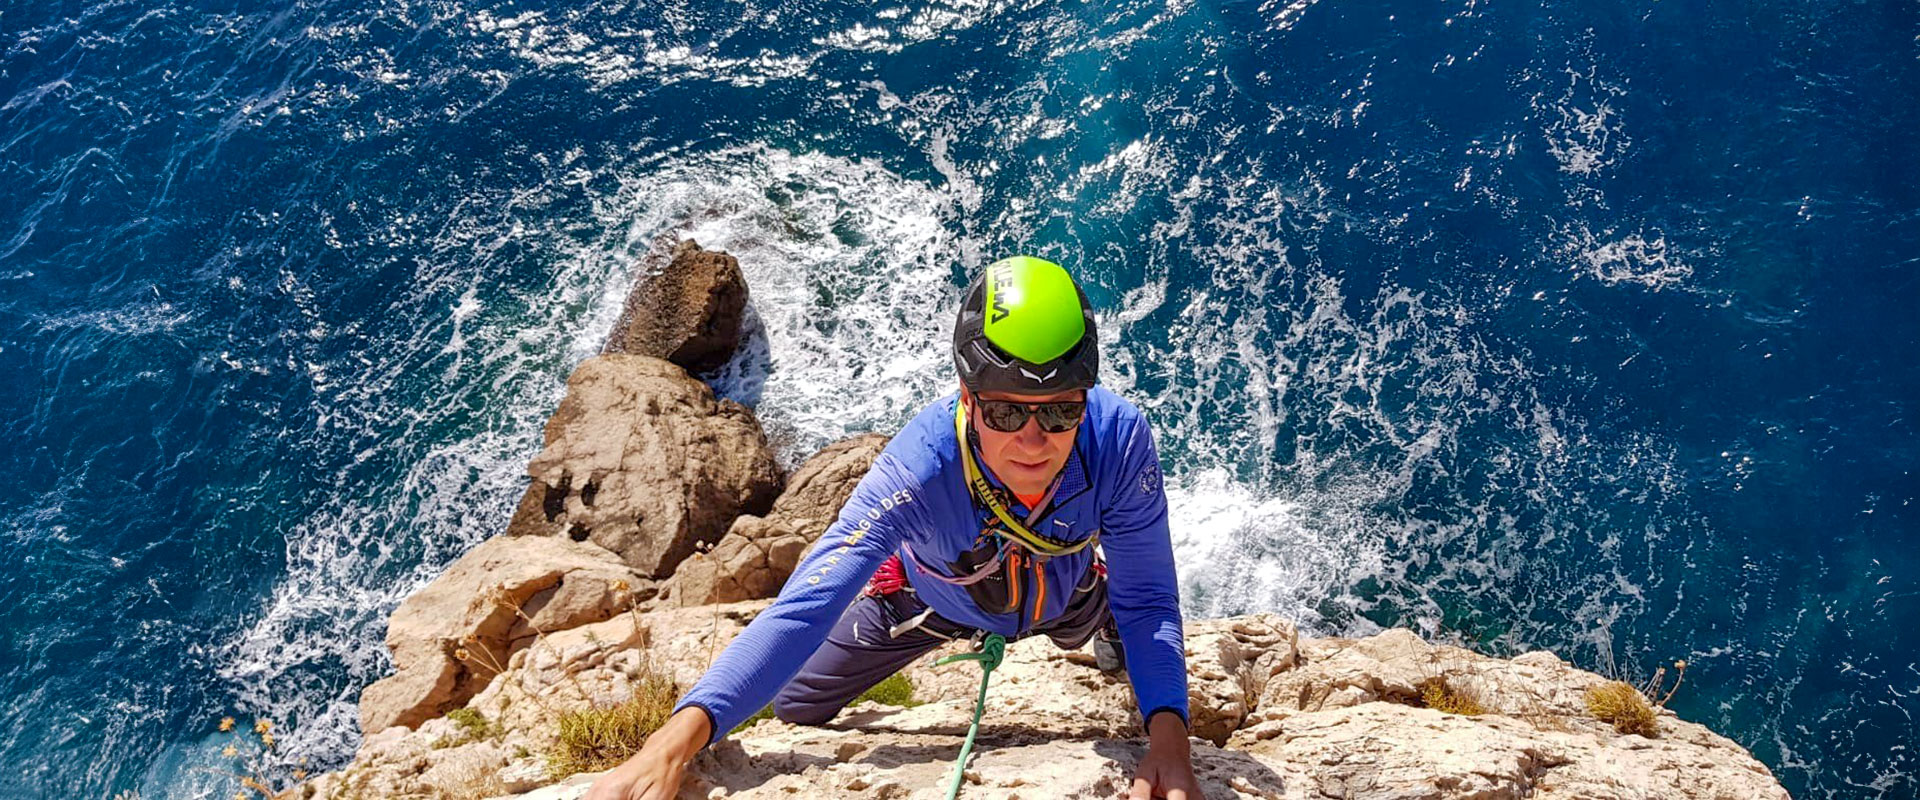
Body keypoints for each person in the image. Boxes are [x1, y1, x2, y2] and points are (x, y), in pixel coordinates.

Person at [583, 255, 1202, 800]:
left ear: (1086, 398)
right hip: (933, 602)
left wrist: (1171, 741)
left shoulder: (1117, 441)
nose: (1034, 442)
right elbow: (806, 606)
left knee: (1130, 626)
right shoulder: (920, 463)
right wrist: (669, 745)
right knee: (797, 702)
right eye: (1006, 411)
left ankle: (1099, 617)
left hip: (1068, 591)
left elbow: (1147, 595)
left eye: (1062, 410)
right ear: (967, 396)